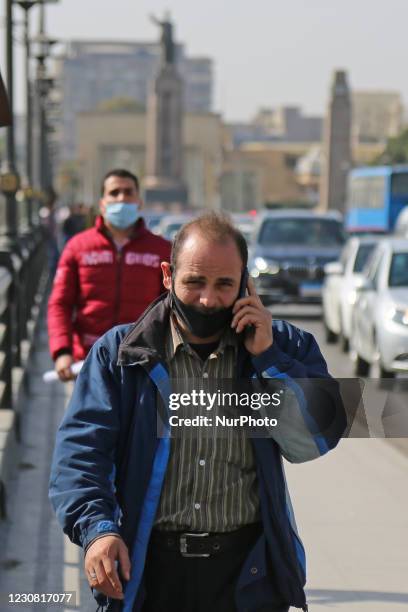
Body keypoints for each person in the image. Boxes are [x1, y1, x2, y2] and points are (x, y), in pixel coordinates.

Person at [49, 212, 345, 612]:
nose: (208, 299)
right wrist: (98, 531)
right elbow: (80, 455)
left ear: (245, 282)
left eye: (225, 284)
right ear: (168, 276)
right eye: (194, 282)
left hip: (247, 576)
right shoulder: (118, 354)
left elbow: (313, 441)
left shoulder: (286, 346)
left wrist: (269, 360)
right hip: (148, 571)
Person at [47, 168, 171, 381]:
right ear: (102, 203)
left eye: (128, 192)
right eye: (114, 193)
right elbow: (60, 304)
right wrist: (62, 352)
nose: (121, 198)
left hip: (143, 362)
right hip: (88, 362)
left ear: (139, 202)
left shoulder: (161, 249)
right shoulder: (78, 247)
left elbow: (172, 305)